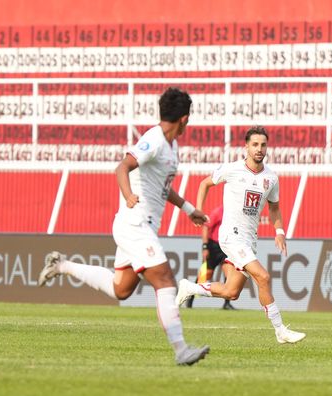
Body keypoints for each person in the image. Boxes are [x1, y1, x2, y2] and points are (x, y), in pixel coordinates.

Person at [38, 87, 210, 366]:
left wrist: (188, 209)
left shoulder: (170, 146)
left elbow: (162, 187)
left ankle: (61, 266)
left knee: (121, 289)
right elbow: (122, 167)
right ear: (185, 119)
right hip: (135, 223)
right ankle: (181, 350)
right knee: (165, 279)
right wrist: (128, 195)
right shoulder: (153, 140)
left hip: (142, 226)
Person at [175, 126, 306, 344]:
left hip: (249, 239)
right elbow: (204, 183)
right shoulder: (233, 169)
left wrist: (280, 231)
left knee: (231, 291)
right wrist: (198, 210)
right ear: (246, 147)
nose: (259, 149)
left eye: (263, 145)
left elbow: (274, 207)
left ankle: (190, 287)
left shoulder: (271, 178)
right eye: (255, 144)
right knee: (263, 277)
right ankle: (280, 330)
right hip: (231, 236)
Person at [185, 205, 235, 310]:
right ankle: (190, 297)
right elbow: (206, 227)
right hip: (214, 247)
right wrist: (205, 247)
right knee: (205, 275)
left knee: (229, 274)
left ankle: (227, 303)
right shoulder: (218, 211)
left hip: (227, 246)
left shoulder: (234, 213)